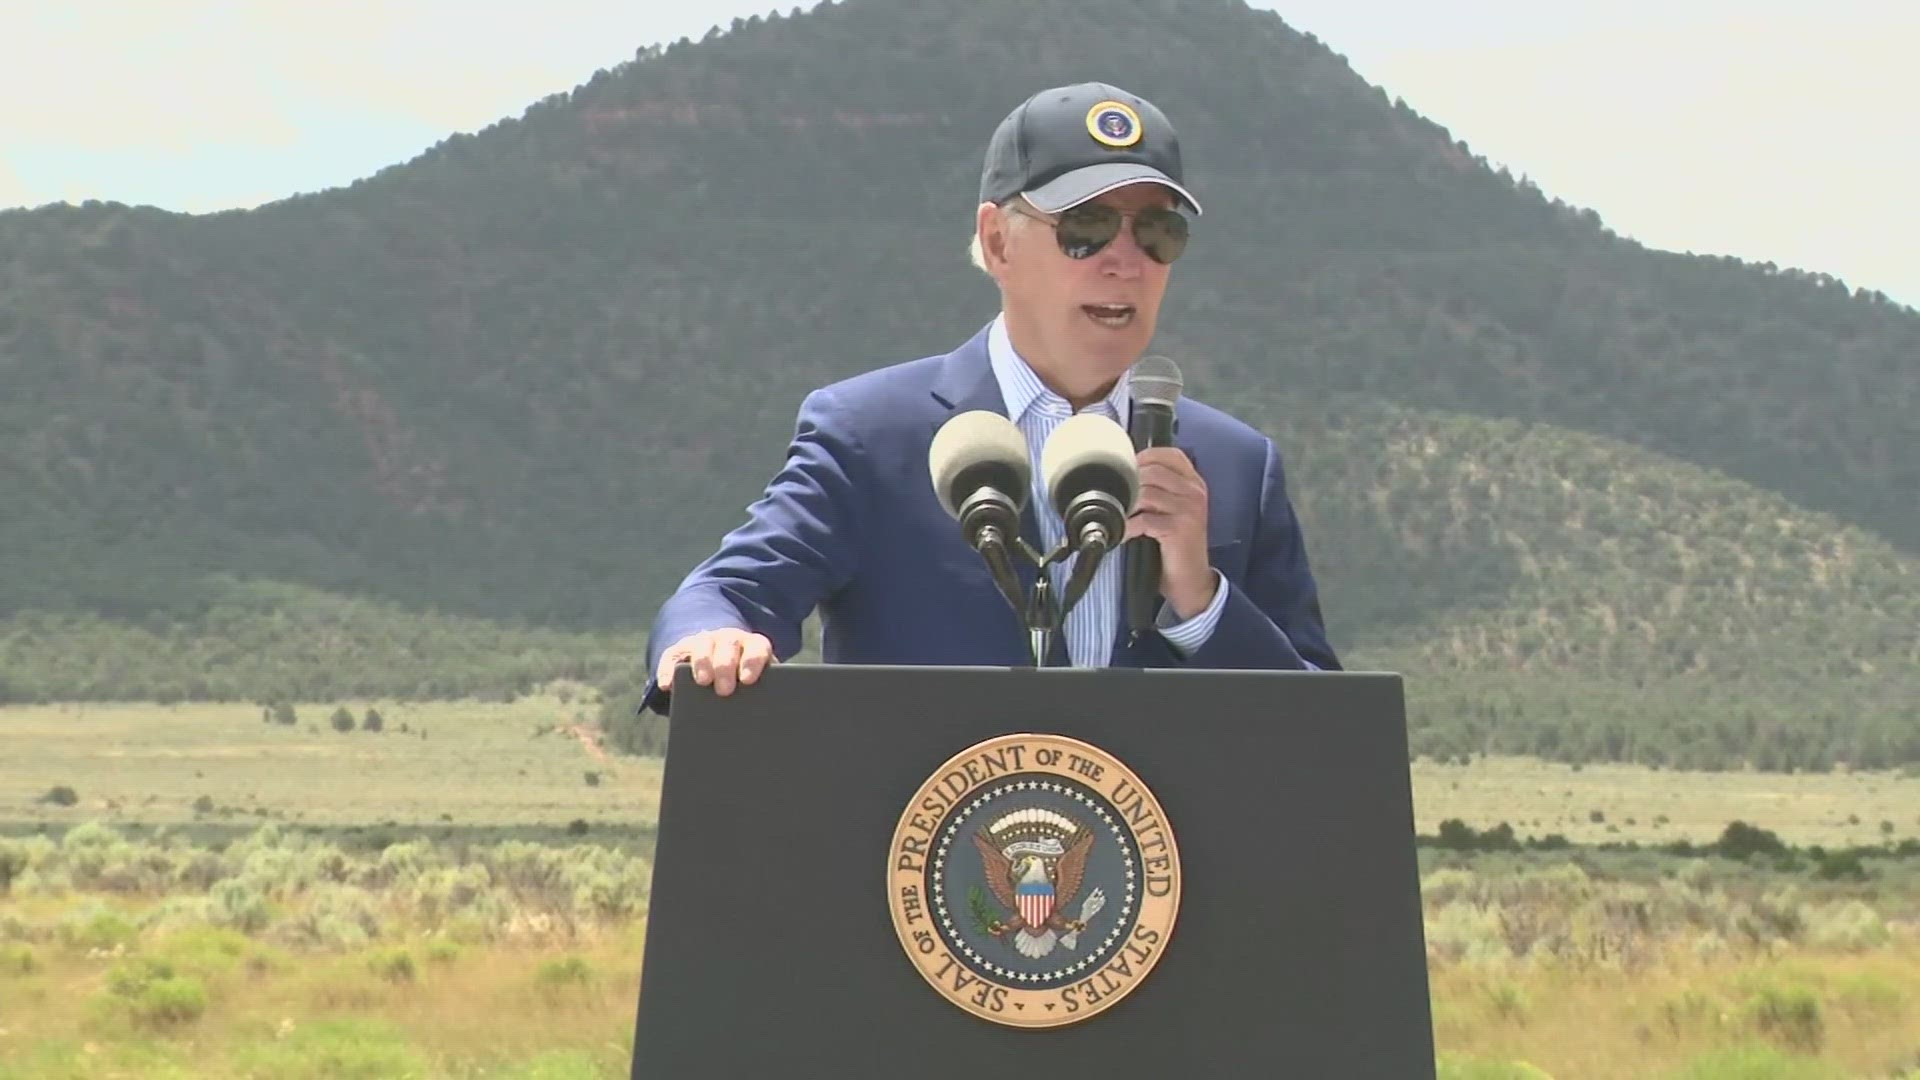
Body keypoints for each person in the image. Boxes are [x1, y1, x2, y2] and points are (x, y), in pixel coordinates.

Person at [638, 81, 1338, 715]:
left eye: (1158, 232)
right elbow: (730, 592)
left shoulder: (1236, 466)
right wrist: (712, 638)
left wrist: (1202, 599)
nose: (1125, 261)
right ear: (998, 242)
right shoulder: (872, 435)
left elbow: (1323, 731)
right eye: (1085, 228)